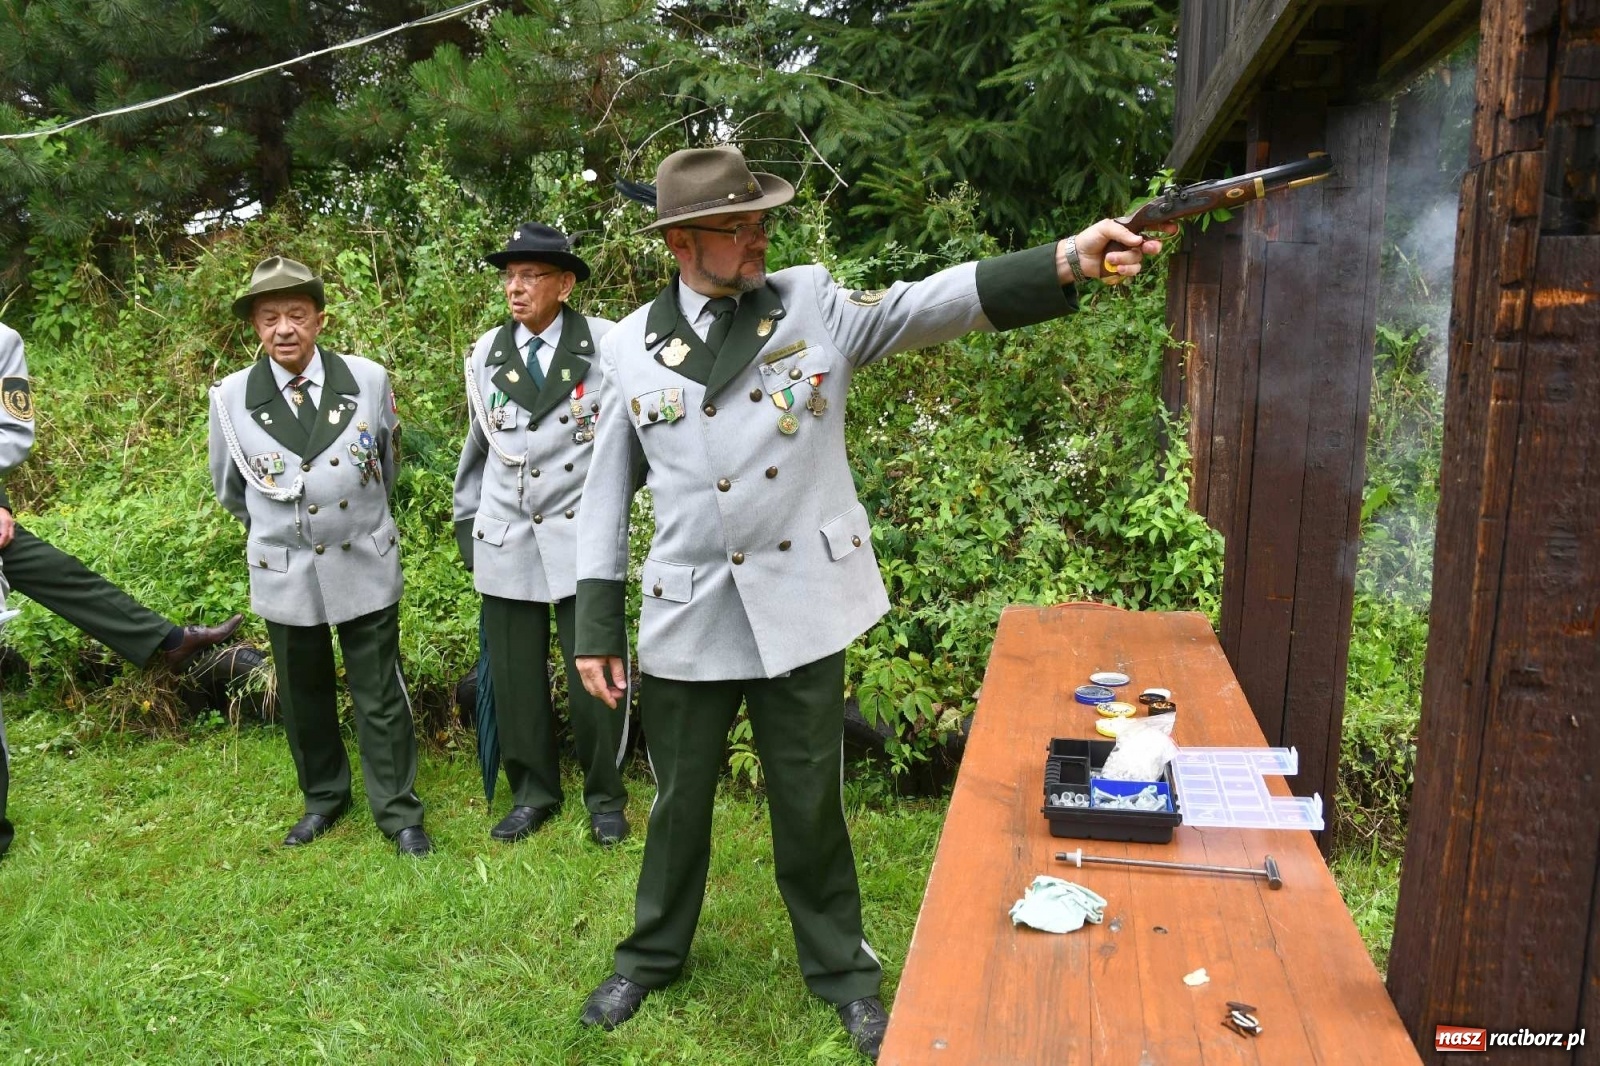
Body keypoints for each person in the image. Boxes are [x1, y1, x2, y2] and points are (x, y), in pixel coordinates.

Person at [570, 146, 1170, 1059]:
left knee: (810, 798)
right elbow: (604, 494)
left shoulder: (809, 300)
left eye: (763, 220)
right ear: (682, 243)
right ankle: (650, 954)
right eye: (740, 227)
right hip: (690, 609)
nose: (760, 237)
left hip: (802, 600)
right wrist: (595, 624)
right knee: (678, 800)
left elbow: (922, 303)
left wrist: (1064, 259)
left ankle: (843, 972)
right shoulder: (625, 345)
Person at [207, 257, 430, 856]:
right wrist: (281, 529)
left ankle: (398, 810)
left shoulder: (368, 379)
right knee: (303, 694)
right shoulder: (230, 397)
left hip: (362, 553)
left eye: (297, 315)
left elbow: (385, 462)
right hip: (287, 565)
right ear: (254, 325)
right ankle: (324, 798)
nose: (284, 329)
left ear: (320, 319)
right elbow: (231, 488)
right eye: (269, 317)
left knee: (379, 691)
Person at [0, 321, 241, 862]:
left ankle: (170, 640)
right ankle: (170, 640)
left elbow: (7, 434)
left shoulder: (2, 341)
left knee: (55, 570)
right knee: (49, 569)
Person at [453, 223, 630, 846]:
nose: (516, 288)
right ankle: (532, 793)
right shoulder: (486, 352)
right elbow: (479, 447)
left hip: (581, 534)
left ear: (566, 283)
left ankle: (605, 797)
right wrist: (469, 526)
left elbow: (629, 440)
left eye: (530, 275)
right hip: (507, 534)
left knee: (595, 673)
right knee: (515, 676)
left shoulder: (606, 343)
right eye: (510, 276)